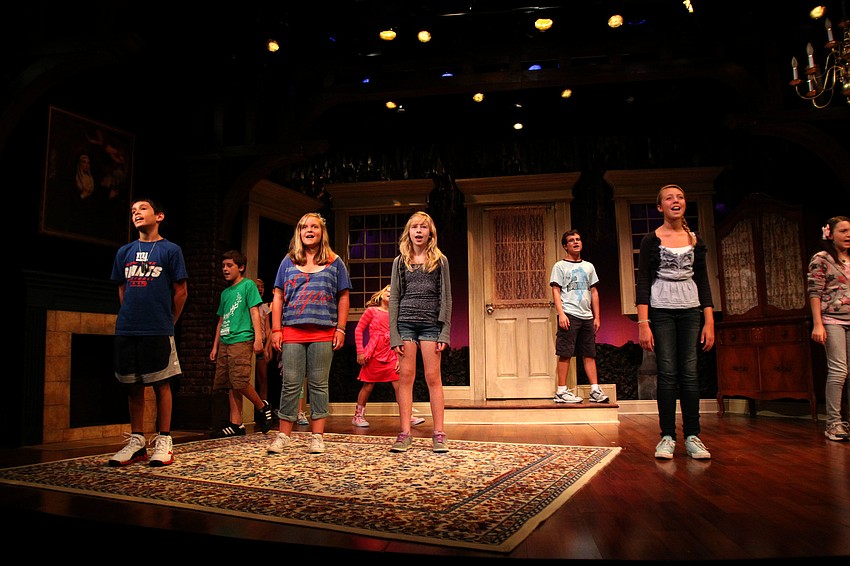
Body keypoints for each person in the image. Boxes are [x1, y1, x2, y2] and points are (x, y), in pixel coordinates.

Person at [636, 184, 714, 461]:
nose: (675, 201)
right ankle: (667, 436)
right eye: (669, 198)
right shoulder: (651, 240)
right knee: (667, 372)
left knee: (690, 372)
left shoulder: (695, 240)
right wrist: (643, 322)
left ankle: (692, 436)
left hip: (691, 310)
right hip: (661, 310)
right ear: (660, 207)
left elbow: (703, 280)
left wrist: (709, 320)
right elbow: (643, 281)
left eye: (680, 197)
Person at [108, 197, 188, 467]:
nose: (136, 213)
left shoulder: (171, 250)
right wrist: (130, 316)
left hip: (158, 328)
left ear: (159, 216)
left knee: (161, 383)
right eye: (133, 210)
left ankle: (164, 439)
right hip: (128, 328)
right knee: (133, 384)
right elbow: (122, 288)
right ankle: (137, 440)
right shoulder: (125, 252)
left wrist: (168, 321)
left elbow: (181, 291)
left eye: (143, 208)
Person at [267, 212, 351, 455]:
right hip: (292, 330)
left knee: (319, 384)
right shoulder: (288, 261)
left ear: (322, 232)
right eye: (304, 227)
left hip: (323, 331)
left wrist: (341, 328)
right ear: (299, 232)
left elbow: (343, 296)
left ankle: (317, 437)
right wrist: (276, 329)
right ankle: (283, 435)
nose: (309, 230)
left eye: (314, 226)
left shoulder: (335, 262)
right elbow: (278, 296)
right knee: (290, 383)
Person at [389, 211, 452, 453]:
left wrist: (444, 332)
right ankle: (405, 432)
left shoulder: (440, 260)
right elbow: (395, 298)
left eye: (423, 227)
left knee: (433, 377)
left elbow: (446, 298)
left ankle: (439, 433)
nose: (418, 231)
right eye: (414, 226)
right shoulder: (400, 262)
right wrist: (394, 334)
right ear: (409, 232)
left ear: (430, 232)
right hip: (405, 324)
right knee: (405, 378)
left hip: (430, 325)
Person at [209, 251, 274, 438]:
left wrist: (259, 338)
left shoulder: (248, 285)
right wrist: (215, 346)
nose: (225, 269)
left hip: (242, 338)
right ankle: (236, 423)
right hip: (225, 340)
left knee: (240, 380)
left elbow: (255, 312)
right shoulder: (225, 293)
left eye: (230, 265)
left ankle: (261, 406)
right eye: (223, 266)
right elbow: (221, 320)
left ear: (241, 267)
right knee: (230, 383)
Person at [352, 284, 426, 427]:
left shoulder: (396, 315)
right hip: (373, 354)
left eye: (393, 292)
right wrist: (360, 351)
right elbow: (358, 330)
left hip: (391, 353)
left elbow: (400, 335)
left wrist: (399, 358)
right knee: (368, 385)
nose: (390, 293)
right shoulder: (372, 311)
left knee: (399, 385)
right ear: (381, 294)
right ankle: (358, 415)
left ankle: (407, 415)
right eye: (387, 290)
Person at [550, 229, 610, 405]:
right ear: (565, 246)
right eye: (571, 240)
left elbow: (594, 291)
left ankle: (595, 390)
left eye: (578, 239)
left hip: (586, 316)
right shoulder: (560, 266)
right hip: (569, 313)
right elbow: (556, 290)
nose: (576, 242)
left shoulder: (588, 266)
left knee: (589, 352)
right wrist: (561, 313)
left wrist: (597, 317)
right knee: (566, 352)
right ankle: (561, 391)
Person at [807, 216, 850, 442]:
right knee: (839, 370)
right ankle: (834, 423)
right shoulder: (821, 259)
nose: (848, 235)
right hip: (833, 319)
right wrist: (818, 323)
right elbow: (815, 292)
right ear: (830, 234)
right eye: (843, 231)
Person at [254, 278, 272, 404]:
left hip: (262, 345)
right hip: (250, 343)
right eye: (257, 286)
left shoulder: (265, 308)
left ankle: (263, 404)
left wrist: (267, 348)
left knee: (263, 377)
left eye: (262, 286)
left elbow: (268, 329)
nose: (260, 289)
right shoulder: (249, 306)